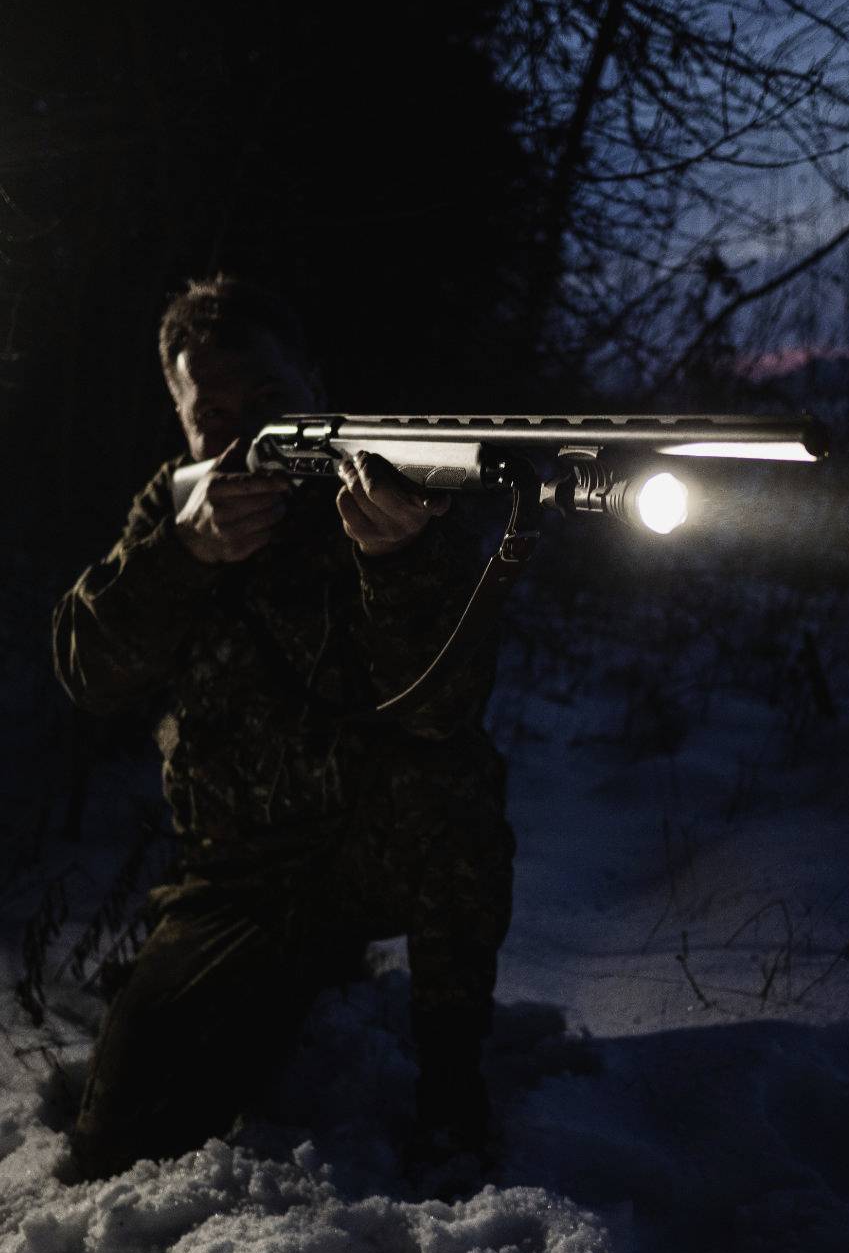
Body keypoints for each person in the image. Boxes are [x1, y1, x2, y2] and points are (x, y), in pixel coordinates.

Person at [52, 274, 514, 1181]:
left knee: (453, 780)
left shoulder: (394, 482)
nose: (245, 431)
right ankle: (272, 987)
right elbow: (85, 668)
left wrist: (399, 560)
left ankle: (453, 1079)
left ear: (312, 382)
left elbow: (444, 704)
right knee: (121, 1136)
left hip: (374, 846)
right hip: (234, 874)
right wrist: (181, 554)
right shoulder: (173, 506)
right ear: (181, 420)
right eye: (212, 415)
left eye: (267, 398)